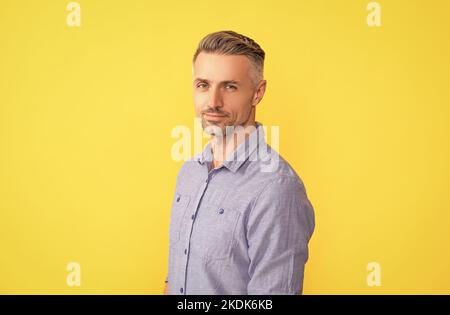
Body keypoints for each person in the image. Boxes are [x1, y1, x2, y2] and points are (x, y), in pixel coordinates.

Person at [164, 30, 315, 295]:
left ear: (258, 93)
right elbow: (175, 279)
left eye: (229, 86)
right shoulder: (189, 172)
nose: (213, 102)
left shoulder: (277, 189)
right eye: (203, 85)